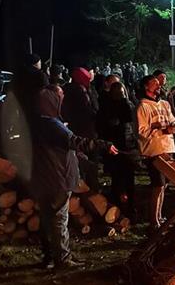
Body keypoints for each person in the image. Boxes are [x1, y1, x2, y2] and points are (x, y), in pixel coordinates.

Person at [31, 86, 118, 269]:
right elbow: (77, 142)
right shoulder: (53, 125)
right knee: (58, 220)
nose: (63, 99)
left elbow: (59, 147)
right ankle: (62, 259)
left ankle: (49, 257)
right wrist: (103, 145)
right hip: (57, 178)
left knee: (47, 219)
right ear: (52, 102)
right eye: (59, 96)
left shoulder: (36, 123)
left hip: (42, 178)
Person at [136, 75, 175, 230]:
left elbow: (172, 121)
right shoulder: (143, 106)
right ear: (146, 87)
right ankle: (153, 220)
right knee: (157, 185)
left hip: (167, 148)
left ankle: (159, 216)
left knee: (164, 186)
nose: (158, 86)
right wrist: (164, 130)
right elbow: (142, 131)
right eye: (154, 84)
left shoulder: (164, 104)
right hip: (154, 150)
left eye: (159, 84)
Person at [96, 82, 137, 219]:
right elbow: (102, 126)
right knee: (117, 178)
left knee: (129, 179)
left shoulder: (127, 105)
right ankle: (116, 207)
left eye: (121, 92)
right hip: (115, 147)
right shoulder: (106, 107)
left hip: (128, 146)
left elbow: (131, 118)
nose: (119, 94)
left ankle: (130, 206)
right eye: (117, 92)